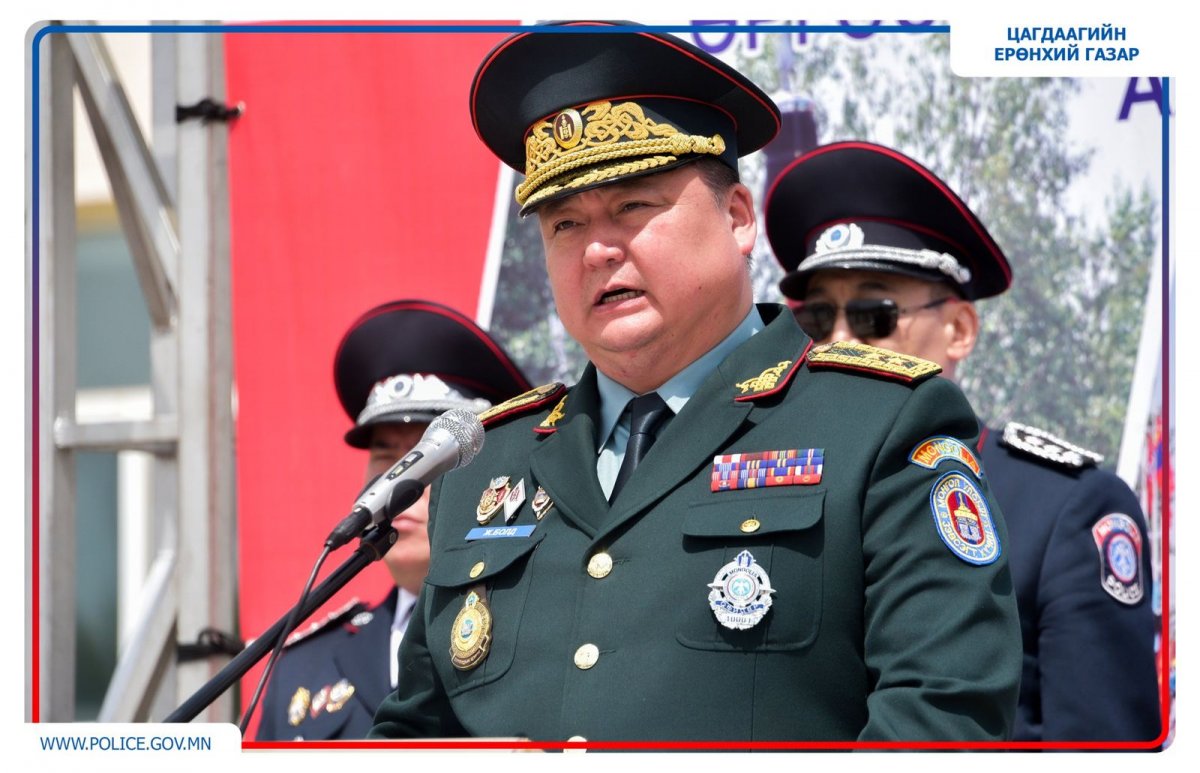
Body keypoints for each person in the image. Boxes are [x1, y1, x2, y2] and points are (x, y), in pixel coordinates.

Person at [368, 23, 1021, 743]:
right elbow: (415, 731)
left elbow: (942, 715)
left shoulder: (878, 423)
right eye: (564, 224)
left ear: (737, 217)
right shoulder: (484, 464)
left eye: (632, 207)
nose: (596, 249)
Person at [764, 140, 1161, 744]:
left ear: (959, 329)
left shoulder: (1066, 508)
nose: (839, 341)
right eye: (815, 320)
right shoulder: (769, 497)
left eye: (874, 315)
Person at [255, 299, 532, 740]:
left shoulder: (538, 638)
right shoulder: (302, 666)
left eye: (428, 457)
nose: (403, 483)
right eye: (386, 456)